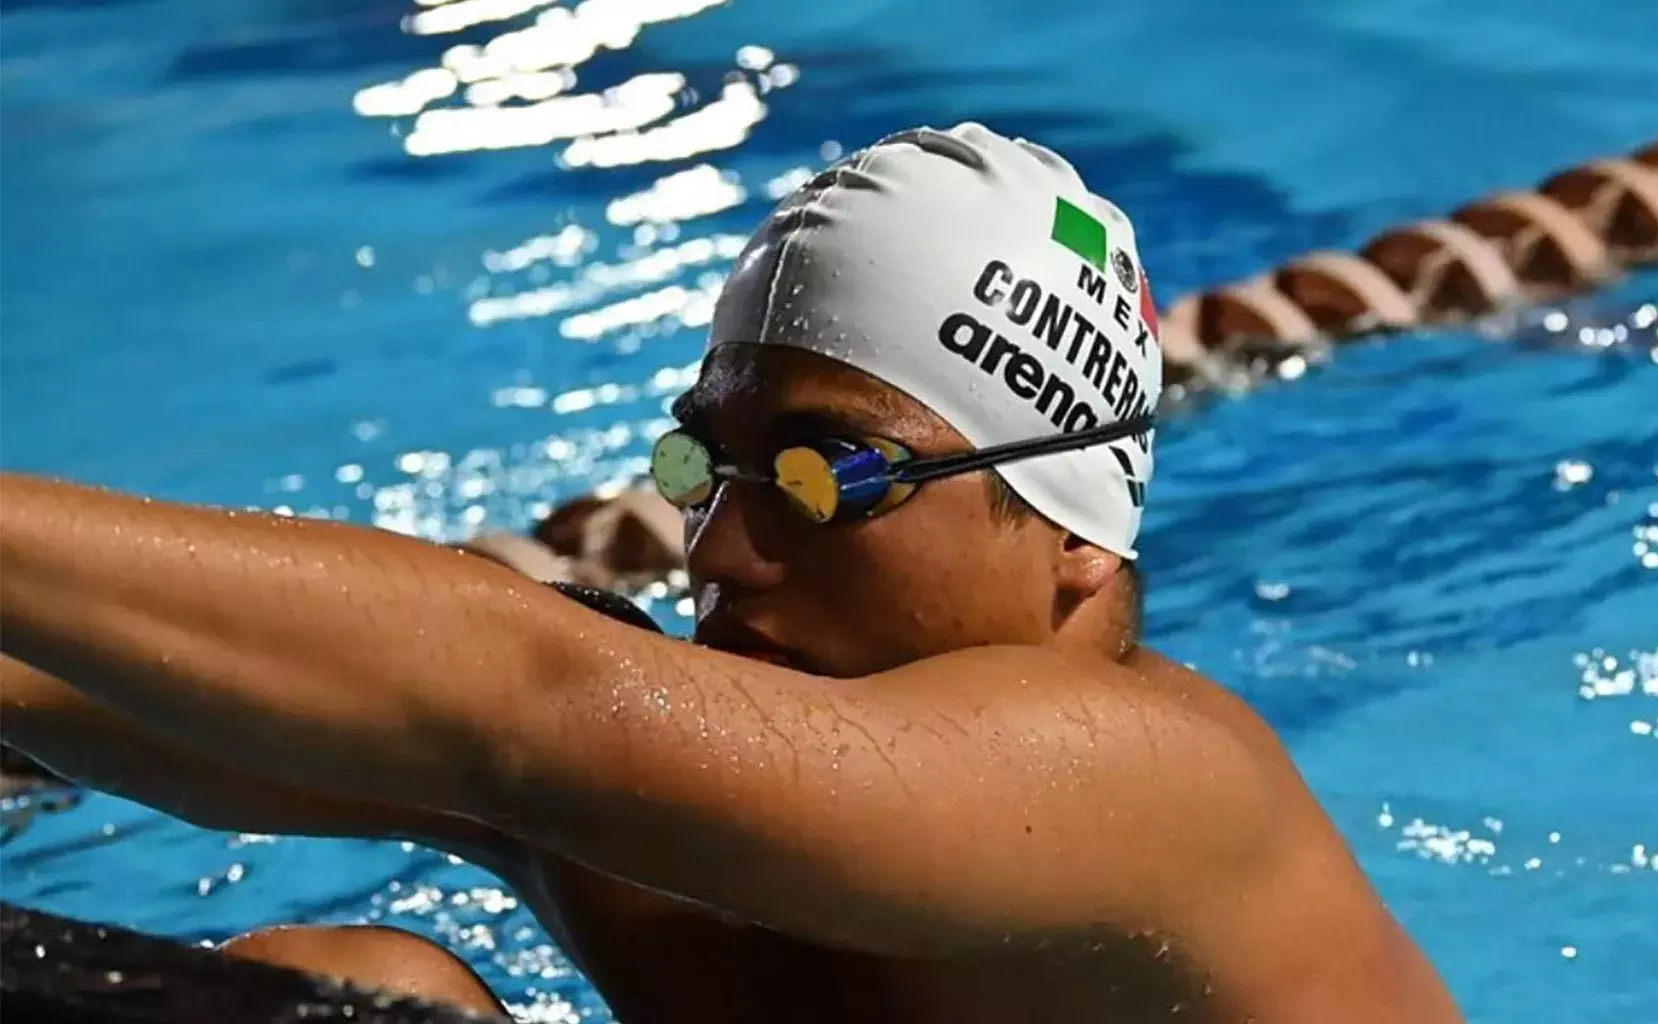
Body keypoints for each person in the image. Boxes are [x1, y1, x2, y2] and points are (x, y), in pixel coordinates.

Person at [0, 123, 1462, 1023]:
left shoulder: (1155, 788)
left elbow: (523, 696)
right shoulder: (692, 832)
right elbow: (137, 682)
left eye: (832, 478)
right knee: (355, 1001)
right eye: (714, 465)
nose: (722, 549)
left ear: (1078, 531)